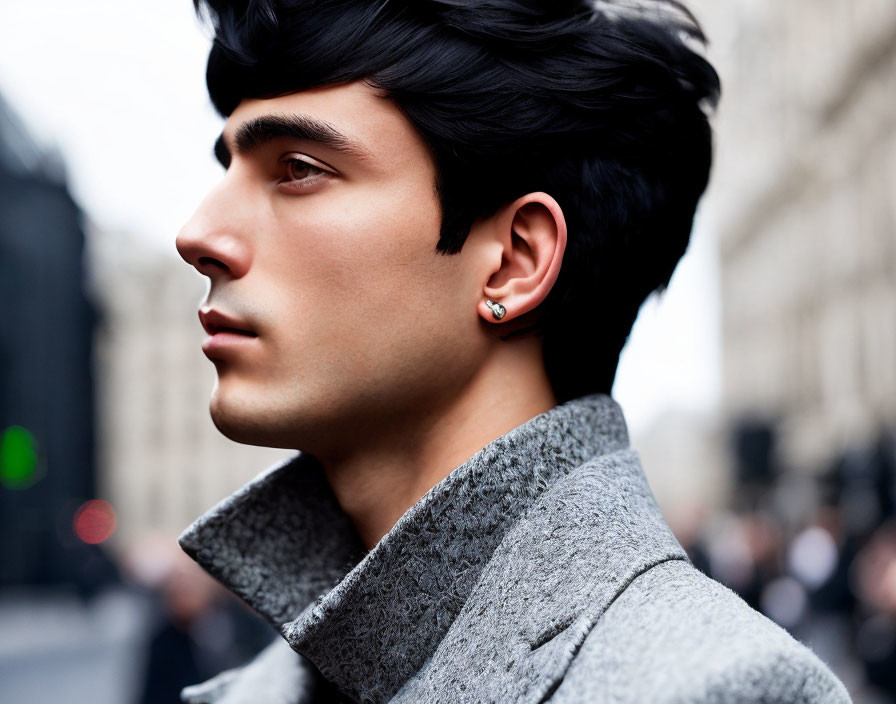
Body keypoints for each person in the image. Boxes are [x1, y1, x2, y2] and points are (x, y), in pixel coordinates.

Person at [174, 0, 852, 701]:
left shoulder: (715, 687)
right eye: (228, 166)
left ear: (514, 262)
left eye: (299, 168)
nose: (199, 233)